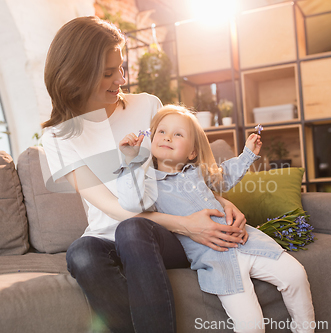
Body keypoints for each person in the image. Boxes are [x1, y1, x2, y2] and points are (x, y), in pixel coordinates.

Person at [41, 16, 250, 333]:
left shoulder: (147, 106)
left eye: (122, 68)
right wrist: (188, 224)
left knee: (134, 230)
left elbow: (180, 170)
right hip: (117, 235)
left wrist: (218, 202)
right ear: (77, 74)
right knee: (82, 252)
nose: (121, 80)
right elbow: (114, 208)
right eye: (109, 73)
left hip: (160, 237)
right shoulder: (58, 139)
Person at [116, 105, 315, 333]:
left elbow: (224, 176)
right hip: (215, 258)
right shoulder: (147, 183)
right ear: (151, 141)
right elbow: (131, 201)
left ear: (192, 152)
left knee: (296, 274)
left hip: (248, 242)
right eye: (161, 132)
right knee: (252, 326)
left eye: (178, 134)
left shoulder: (197, 172)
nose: (168, 137)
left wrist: (247, 154)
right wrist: (132, 159)